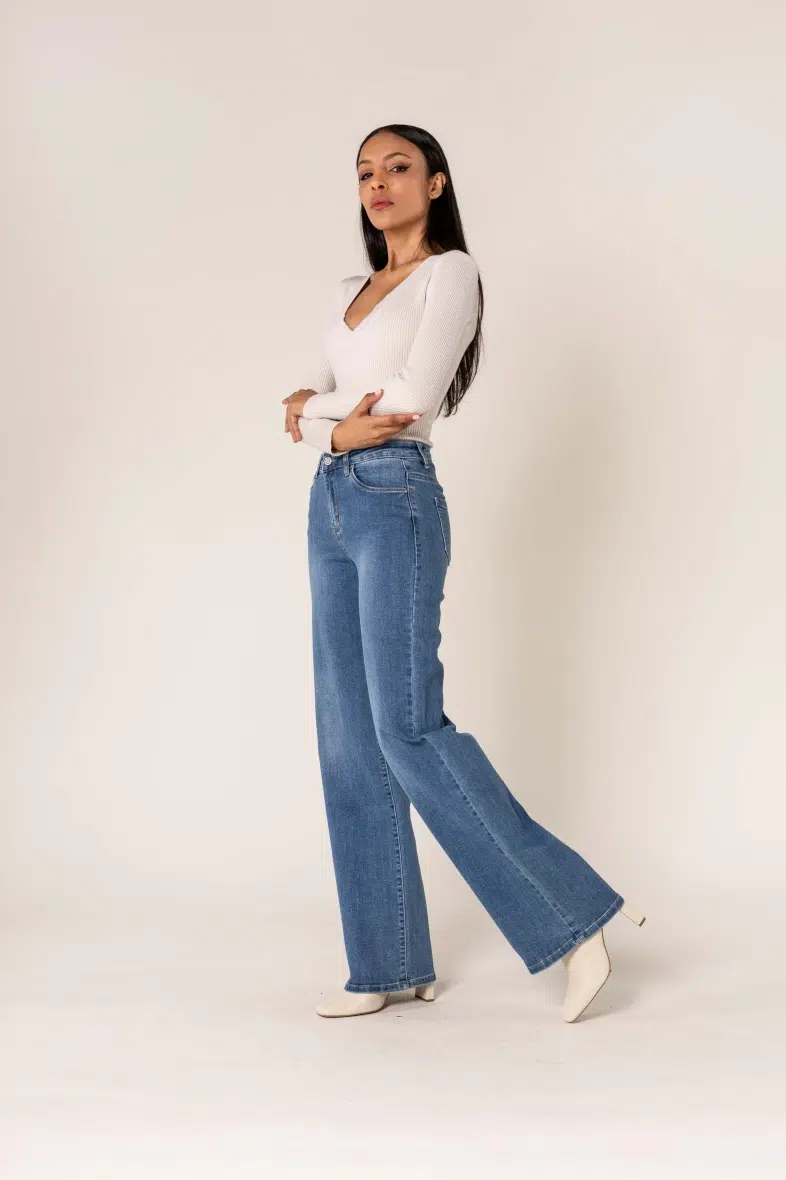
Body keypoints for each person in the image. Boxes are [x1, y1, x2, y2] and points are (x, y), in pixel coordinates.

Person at [282, 123, 645, 1024]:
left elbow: (410, 401)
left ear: (436, 183)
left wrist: (320, 415)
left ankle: (576, 918)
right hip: (331, 504)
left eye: (398, 167)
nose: (378, 183)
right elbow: (307, 411)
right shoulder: (348, 291)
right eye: (365, 172)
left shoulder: (451, 275)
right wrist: (326, 421)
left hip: (397, 498)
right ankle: (388, 963)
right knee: (347, 739)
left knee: (408, 728)